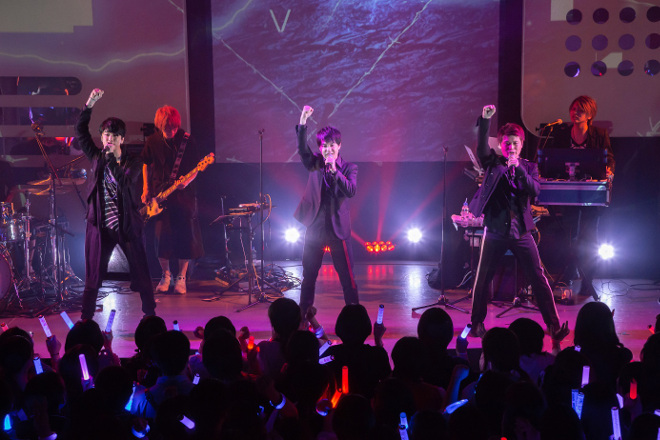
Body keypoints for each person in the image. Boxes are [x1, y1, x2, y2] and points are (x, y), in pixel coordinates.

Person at [467, 105, 567, 341]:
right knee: (483, 278)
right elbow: (481, 148)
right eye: (506, 143)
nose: (510, 147)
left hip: (521, 231)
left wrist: (519, 169)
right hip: (495, 230)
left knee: (538, 277)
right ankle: (477, 323)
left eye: (514, 143)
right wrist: (485, 120)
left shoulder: (529, 167)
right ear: (500, 145)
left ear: (521, 145)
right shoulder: (492, 163)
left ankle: (553, 325)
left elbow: (536, 189)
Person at [75, 88, 156, 319]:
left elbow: (126, 184)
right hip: (100, 226)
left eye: (113, 135)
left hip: (127, 227)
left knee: (141, 272)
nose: (108, 139)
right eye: (105, 135)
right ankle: (86, 319)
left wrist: (111, 160)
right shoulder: (97, 157)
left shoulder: (133, 162)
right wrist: (90, 103)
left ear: (121, 139)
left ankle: (150, 316)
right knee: (93, 276)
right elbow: (80, 131)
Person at [294, 105, 359, 319]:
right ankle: (303, 319)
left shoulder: (349, 168)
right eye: (324, 146)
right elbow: (302, 150)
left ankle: (354, 318)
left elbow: (350, 191)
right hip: (315, 228)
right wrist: (303, 121)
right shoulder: (315, 163)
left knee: (347, 279)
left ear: (339, 146)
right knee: (309, 277)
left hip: (338, 231)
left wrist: (335, 171)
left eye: (332, 145)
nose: (328, 149)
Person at [550, 95, 615, 299]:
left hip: (591, 193)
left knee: (590, 237)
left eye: (580, 110)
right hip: (568, 191)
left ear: (589, 115)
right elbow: (553, 159)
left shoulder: (599, 134)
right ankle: (569, 274)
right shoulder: (562, 134)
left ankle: (588, 280)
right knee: (570, 235)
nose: (575, 112)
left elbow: (609, 158)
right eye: (573, 108)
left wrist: (609, 170)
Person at [141, 105, 204, 295]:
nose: (172, 131)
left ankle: (181, 277)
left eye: (174, 127)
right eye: (168, 128)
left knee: (185, 236)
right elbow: (146, 164)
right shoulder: (152, 141)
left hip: (184, 196)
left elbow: (197, 167)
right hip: (160, 195)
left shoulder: (187, 140)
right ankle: (165, 275)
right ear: (160, 125)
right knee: (161, 238)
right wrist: (145, 188)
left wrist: (187, 181)